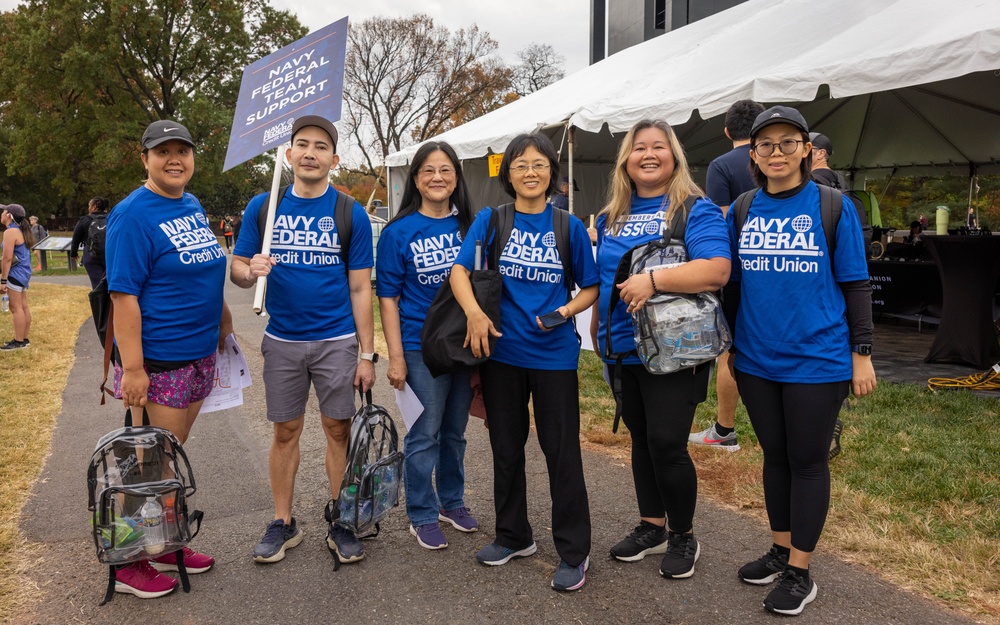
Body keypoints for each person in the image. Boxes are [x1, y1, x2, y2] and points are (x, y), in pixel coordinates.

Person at [726, 106, 876, 616]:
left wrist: (862, 354)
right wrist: (728, 345)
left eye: (788, 143)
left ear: (807, 150)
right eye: (765, 145)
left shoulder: (833, 207)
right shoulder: (742, 209)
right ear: (753, 154)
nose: (776, 153)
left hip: (819, 359)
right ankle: (779, 547)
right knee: (775, 457)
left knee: (808, 463)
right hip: (756, 360)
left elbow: (856, 284)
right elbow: (733, 285)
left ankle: (800, 571)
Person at [450, 133, 599, 592]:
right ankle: (514, 536)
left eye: (538, 164)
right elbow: (459, 271)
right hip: (501, 355)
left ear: (552, 174)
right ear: (507, 174)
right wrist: (474, 313)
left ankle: (574, 552)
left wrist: (565, 313)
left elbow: (590, 286)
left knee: (562, 453)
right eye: (520, 165)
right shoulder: (491, 221)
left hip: (554, 357)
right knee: (506, 450)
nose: (530, 172)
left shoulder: (568, 226)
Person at [230, 115, 376, 566]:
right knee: (286, 431)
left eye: (320, 146)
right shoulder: (264, 206)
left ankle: (341, 520)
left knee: (338, 429)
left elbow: (360, 289)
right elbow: (236, 270)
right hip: (282, 340)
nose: (310, 152)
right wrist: (248, 270)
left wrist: (367, 354)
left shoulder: (350, 213)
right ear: (289, 154)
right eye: (301, 144)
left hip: (336, 340)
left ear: (333, 159)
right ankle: (282, 521)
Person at [589, 119, 730, 581]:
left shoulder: (695, 209)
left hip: (677, 349)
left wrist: (654, 280)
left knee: (668, 443)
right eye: (638, 148)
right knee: (641, 439)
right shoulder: (613, 215)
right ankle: (652, 526)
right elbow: (607, 277)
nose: (648, 155)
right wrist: (596, 326)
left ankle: (684, 535)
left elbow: (715, 270)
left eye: (658, 147)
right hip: (623, 347)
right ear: (626, 161)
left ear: (674, 156)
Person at [105, 120, 232, 598]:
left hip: (198, 355)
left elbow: (205, 270)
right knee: (146, 466)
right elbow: (124, 297)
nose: (175, 159)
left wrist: (222, 320)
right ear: (145, 158)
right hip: (157, 362)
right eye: (164, 152)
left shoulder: (192, 204)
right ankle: (127, 561)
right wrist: (133, 368)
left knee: (168, 461)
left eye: (183, 150)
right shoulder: (132, 215)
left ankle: (163, 544)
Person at [376, 141, 478, 550]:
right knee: (425, 435)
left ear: (456, 178)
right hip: (420, 349)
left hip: (464, 346)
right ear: (415, 180)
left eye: (446, 171)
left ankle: (451, 501)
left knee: (456, 432)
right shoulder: (398, 232)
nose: (438, 178)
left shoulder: (469, 227)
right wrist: (396, 357)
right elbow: (388, 298)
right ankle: (421, 511)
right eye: (428, 171)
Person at [691, 98, 764, 452]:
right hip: (774, 268)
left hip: (734, 271)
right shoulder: (775, 160)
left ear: (725, 131)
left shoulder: (721, 165)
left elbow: (720, 219)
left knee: (727, 349)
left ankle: (725, 430)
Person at [1, 203, 36, 350]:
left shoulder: (10, 232)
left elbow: (7, 258)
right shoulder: (20, 230)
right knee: (23, 306)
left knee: (16, 308)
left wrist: (3, 279)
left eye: (3, 212)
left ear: (9, 215)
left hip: (15, 273)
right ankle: (24, 338)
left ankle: (19, 341)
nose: (1, 214)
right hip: (24, 272)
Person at [70, 197, 111, 289]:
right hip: (111, 255)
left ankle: (98, 302)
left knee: (97, 284)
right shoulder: (112, 218)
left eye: (89, 205)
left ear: (94, 207)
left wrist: (74, 254)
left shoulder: (85, 220)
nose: (88, 208)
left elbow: (76, 239)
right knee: (111, 283)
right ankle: (112, 302)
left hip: (91, 256)